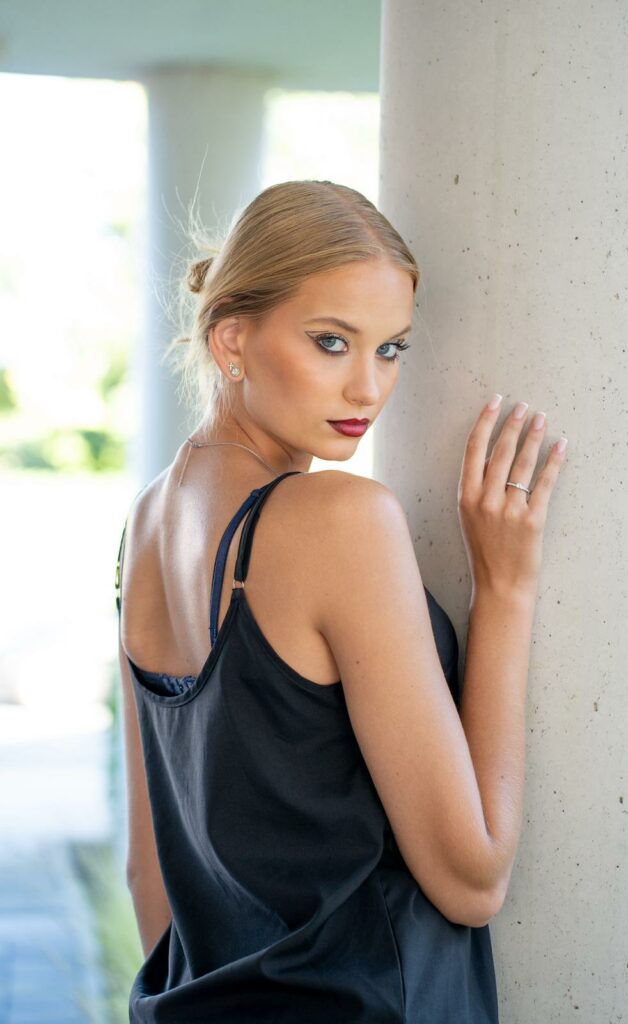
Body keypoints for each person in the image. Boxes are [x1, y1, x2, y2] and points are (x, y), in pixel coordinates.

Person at [115, 179, 567, 1022]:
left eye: (391, 349)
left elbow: (151, 872)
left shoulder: (145, 522)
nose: (368, 388)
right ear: (232, 339)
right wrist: (505, 588)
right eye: (331, 342)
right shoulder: (338, 520)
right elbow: (472, 881)